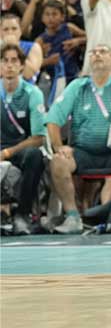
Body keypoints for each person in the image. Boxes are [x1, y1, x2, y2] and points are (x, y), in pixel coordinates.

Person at [45, 44, 111, 234]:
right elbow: (53, 119)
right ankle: (73, 217)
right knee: (58, 162)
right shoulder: (77, 87)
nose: (97, 55)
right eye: (93, 52)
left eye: (103, 51)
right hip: (83, 152)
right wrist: (58, 146)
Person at [0, 43, 47, 235]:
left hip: (20, 148)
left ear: (21, 66)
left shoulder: (32, 93)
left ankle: (22, 215)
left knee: (35, 156)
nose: (9, 65)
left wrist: (7, 152)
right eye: (5, 61)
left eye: (14, 61)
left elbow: (38, 138)